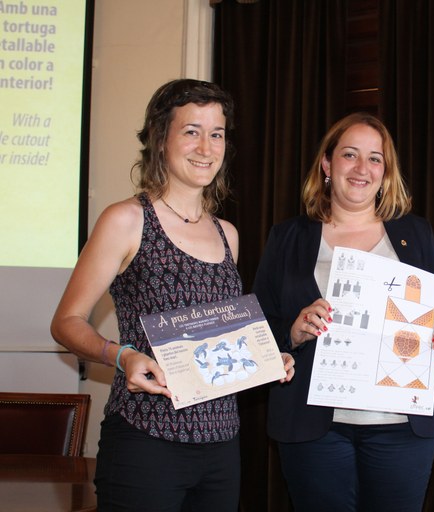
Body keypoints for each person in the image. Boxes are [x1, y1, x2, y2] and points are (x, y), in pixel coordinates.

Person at [50, 78, 295, 512]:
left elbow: (218, 340)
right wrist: (122, 356)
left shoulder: (228, 234)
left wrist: (265, 358)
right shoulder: (127, 220)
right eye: (191, 131)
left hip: (221, 443)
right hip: (146, 440)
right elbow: (66, 321)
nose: (206, 148)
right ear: (161, 138)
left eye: (216, 134)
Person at [252, 112, 434, 512]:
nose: (362, 168)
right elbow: (258, 328)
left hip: (401, 427)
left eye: (375, 158)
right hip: (313, 426)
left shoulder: (416, 234)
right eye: (350, 154)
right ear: (327, 164)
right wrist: (293, 332)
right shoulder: (287, 237)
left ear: (386, 172)